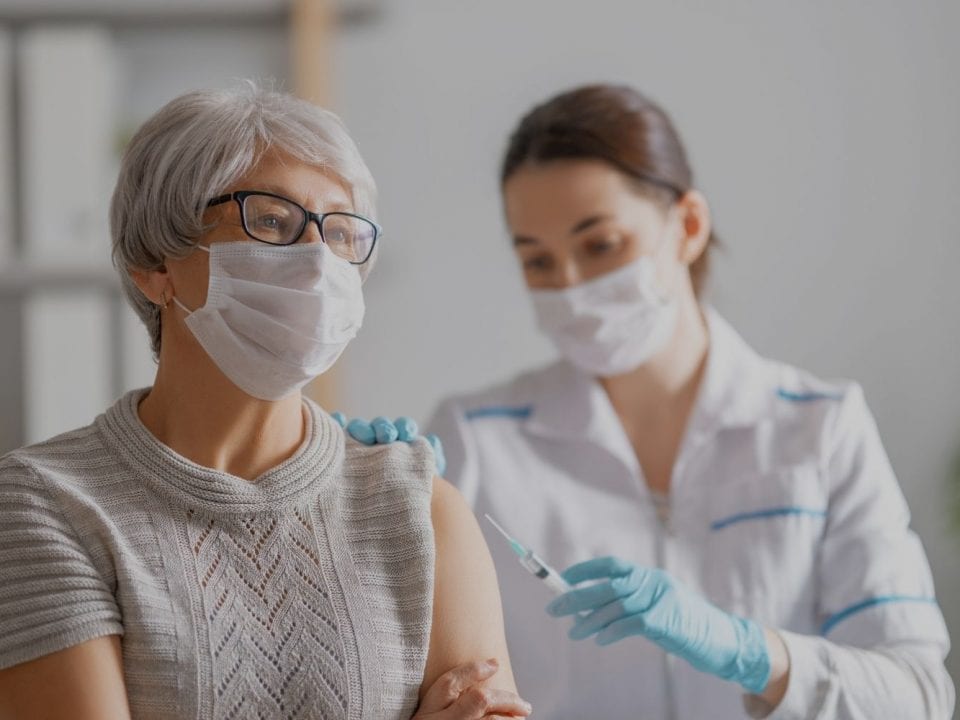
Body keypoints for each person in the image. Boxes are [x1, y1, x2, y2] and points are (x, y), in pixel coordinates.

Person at [0, 83, 532, 720]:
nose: (316, 260)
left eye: (340, 232)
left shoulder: (416, 506)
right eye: (272, 221)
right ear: (153, 264)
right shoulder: (48, 504)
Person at [422, 84, 955, 719]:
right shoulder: (474, 439)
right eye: (538, 262)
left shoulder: (819, 428)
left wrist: (750, 652)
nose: (569, 287)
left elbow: (919, 697)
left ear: (689, 226)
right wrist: (355, 492)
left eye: (601, 245)